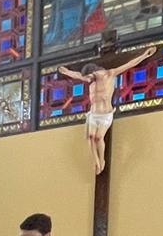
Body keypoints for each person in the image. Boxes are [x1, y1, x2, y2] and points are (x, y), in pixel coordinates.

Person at [58, 45, 155, 174]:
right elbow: (77, 75)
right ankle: (96, 162)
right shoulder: (90, 79)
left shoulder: (110, 74)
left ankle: (102, 160)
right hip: (93, 113)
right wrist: (65, 71)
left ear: (94, 72)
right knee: (90, 137)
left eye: (88, 77)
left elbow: (129, 64)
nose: (87, 80)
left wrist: (144, 55)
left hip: (105, 114)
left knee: (98, 138)